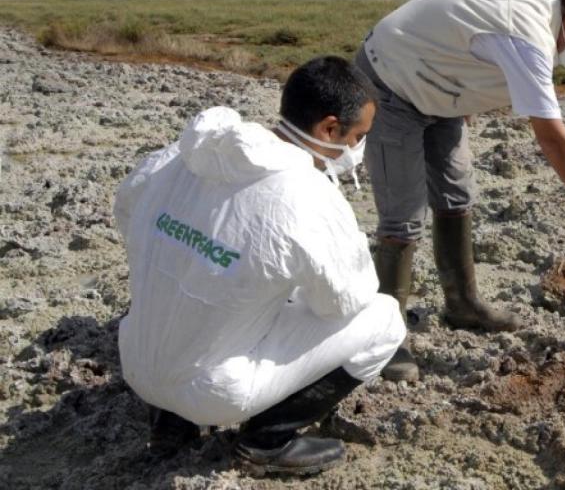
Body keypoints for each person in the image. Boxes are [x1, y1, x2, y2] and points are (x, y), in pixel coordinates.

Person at [114, 56, 405, 475]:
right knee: (384, 319)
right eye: (358, 136)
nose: (358, 150)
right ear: (329, 128)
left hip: (137, 364)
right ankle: (266, 441)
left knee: (183, 276)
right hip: (213, 391)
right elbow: (343, 302)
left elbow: (128, 213)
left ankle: (168, 424)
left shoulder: (181, 157)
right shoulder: (304, 194)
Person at [354, 0, 565, 383]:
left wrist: (464, 98)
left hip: (436, 83)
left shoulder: (539, 19)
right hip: (390, 81)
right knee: (404, 216)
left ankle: (463, 303)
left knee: (457, 192)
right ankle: (383, 339)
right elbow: (554, 139)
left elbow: (469, 44)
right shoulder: (529, 38)